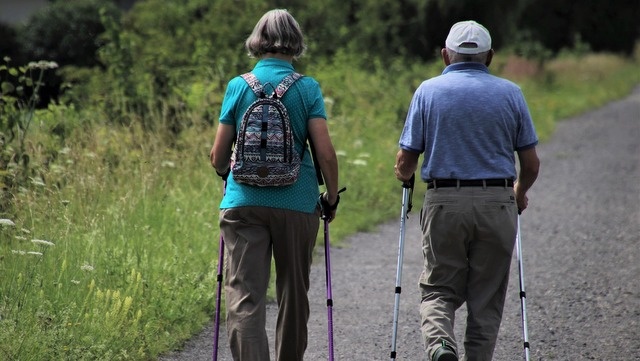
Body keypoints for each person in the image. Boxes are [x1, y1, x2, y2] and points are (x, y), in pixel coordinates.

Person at [394, 20, 540, 361]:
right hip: (497, 202)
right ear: (490, 56)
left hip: (445, 202)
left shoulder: (428, 91)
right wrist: (518, 194)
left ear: (446, 55)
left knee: (438, 289)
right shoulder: (511, 93)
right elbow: (531, 165)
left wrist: (403, 175)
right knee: (486, 299)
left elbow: (406, 161)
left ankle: (441, 344)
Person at [209, 9, 340, 361]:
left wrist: (226, 173)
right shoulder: (307, 88)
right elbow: (325, 154)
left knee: (245, 297)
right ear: (295, 43)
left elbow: (218, 156)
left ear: (257, 42)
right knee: (293, 295)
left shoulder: (239, 86)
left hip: (243, 203)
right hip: (297, 203)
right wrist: (329, 196)